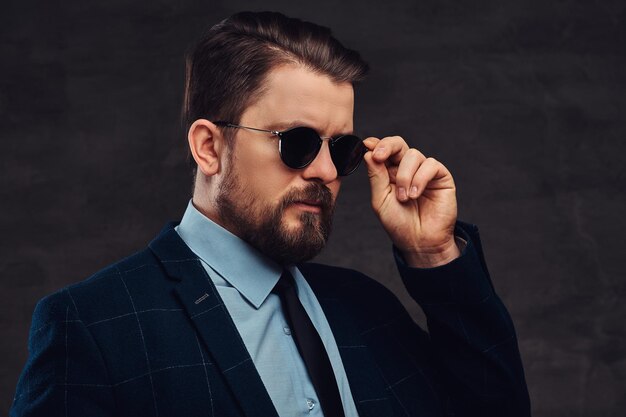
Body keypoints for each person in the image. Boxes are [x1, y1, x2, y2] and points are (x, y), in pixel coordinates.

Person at [11, 11, 530, 417]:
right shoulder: (93, 326)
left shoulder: (368, 309)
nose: (327, 171)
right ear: (209, 147)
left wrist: (433, 252)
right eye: (298, 142)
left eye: (342, 149)